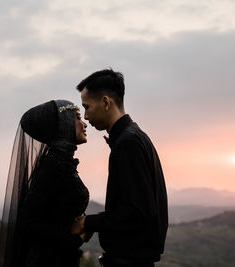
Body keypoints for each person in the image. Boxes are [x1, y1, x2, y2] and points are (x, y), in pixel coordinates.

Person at [72, 69, 168, 267]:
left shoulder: (128, 143)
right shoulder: (135, 136)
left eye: (87, 107)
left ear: (106, 102)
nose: (86, 116)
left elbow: (137, 212)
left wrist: (86, 223)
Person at [0, 100, 92, 267]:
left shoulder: (63, 163)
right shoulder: (52, 167)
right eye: (77, 117)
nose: (84, 124)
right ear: (64, 124)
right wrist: (75, 239)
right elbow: (27, 223)